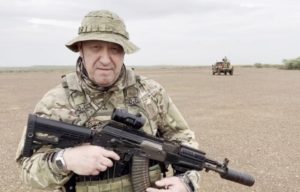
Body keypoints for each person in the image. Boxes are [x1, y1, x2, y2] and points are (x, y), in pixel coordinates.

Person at [15, 10, 200, 192]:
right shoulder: (55, 102)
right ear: (81, 49)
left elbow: (182, 139)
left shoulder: (151, 93)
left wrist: (186, 181)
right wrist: (66, 159)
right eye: (95, 47)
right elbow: (27, 169)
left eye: (115, 49)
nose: (105, 59)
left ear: (124, 53)